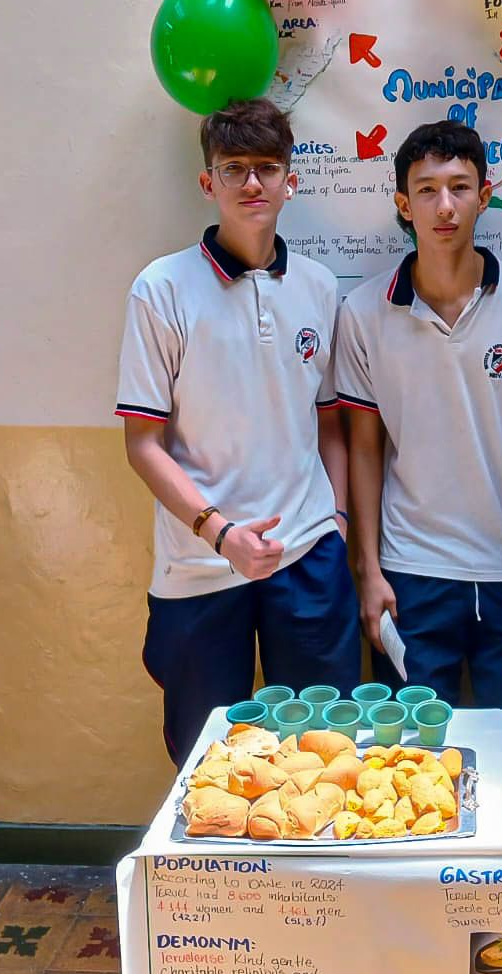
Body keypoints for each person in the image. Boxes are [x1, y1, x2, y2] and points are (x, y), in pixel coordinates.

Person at [116, 98, 359, 767]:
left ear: (290, 180)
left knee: (322, 751)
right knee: (208, 763)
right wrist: (220, 532)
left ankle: (313, 878)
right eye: (234, 169)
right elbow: (142, 445)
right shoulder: (160, 289)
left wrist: (334, 518)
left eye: (266, 168)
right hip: (200, 566)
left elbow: (330, 418)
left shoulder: (317, 285)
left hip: (307, 554)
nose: (252, 184)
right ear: (209, 183)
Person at [334, 120, 502, 706]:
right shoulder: (364, 312)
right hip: (409, 573)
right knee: (412, 761)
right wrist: (368, 572)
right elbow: (364, 451)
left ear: (485, 194)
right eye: (426, 189)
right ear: (403, 203)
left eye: (460, 187)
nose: (445, 206)